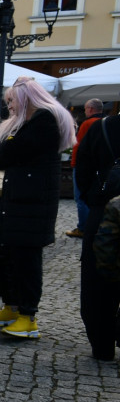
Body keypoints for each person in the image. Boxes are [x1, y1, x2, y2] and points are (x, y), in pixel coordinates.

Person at [0, 77, 76, 339]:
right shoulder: (24, 124)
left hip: (30, 203)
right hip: (16, 200)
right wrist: (3, 149)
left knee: (25, 259)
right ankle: (11, 308)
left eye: (11, 100)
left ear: (25, 99)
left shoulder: (43, 122)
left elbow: (1, 155)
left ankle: (27, 316)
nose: (8, 106)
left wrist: (4, 150)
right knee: (6, 255)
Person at [75, 109, 120, 360]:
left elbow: (82, 170)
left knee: (97, 282)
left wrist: (94, 197)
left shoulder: (102, 127)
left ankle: (102, 346)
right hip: (102, 208)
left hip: (102, 209)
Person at [67, 99, 104, 238]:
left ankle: (83, 227)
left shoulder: (87, 123)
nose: (84, 111)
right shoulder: (105, 122)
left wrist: (73, 163)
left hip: (83, 166)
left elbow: (78, 145)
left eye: (85, 109)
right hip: (98, 166)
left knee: (80, 197)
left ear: (90, 109)